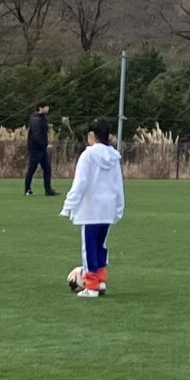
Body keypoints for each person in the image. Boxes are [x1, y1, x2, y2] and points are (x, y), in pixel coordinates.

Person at [59, 117, 123, 297]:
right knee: (101, 245)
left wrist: (68, 206)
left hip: (90, 210)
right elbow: (118, 185)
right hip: (107, 209)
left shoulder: (87, 155)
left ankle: (91, 286)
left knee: (89, 247)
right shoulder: (114, 157)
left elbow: (80, 183)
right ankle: (100, 280)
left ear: (91, 135)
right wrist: (118, 208)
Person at [24, 101, 57, 197]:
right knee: (32, 168)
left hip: (42, 148)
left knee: (47, 168)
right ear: (40, 108)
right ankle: (27, 189)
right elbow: (37, 134)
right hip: (35, 148)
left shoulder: (43, 118)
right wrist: (44, 145)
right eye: (46, 107)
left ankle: (48, 190)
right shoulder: (35, 119)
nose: (48, 108)